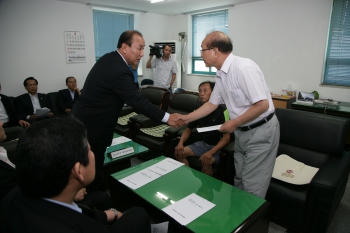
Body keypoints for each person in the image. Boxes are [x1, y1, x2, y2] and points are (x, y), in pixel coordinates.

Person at [71, 30, 182, 192]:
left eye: (144, 49)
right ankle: (99, 209)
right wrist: (167, 117)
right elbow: (137, 101)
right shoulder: (120, 71)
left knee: (85, 168)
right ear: (124, 47)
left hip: (82, 121)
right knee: (92, 173)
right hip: (92, 127)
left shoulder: (109, 58)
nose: (142, 54)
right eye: (139, 48)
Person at [0, 117, 151, 233]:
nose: (93, 154)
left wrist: (110, 214)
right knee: (139, 214)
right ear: (78, 171)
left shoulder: (14, 195)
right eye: (90, 150)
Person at [177, 31, 280, 198]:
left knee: (252, 186)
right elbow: (212, 104)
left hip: (261, 131)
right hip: (242, 132)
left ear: (215, 51)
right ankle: (239, 219)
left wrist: (234, 122)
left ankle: (251, 220)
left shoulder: (244, 68)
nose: (200, 54)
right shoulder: (220, 74)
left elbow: (262, 105)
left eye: (202, 49)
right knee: (239, 180)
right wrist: (186, 118)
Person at [174, 81, 230, 176]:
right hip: (203, 144)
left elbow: (226, 138)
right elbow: (188, 130)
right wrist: (180, 143)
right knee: (179, 153)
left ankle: (205, 189)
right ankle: (188, 178)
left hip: (218, 148)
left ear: (213, 93)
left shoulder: (223, 111)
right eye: (200, 91)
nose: (201, 93)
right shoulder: (198, 111)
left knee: (205, 162)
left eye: (205, 90)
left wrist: (210, 153)